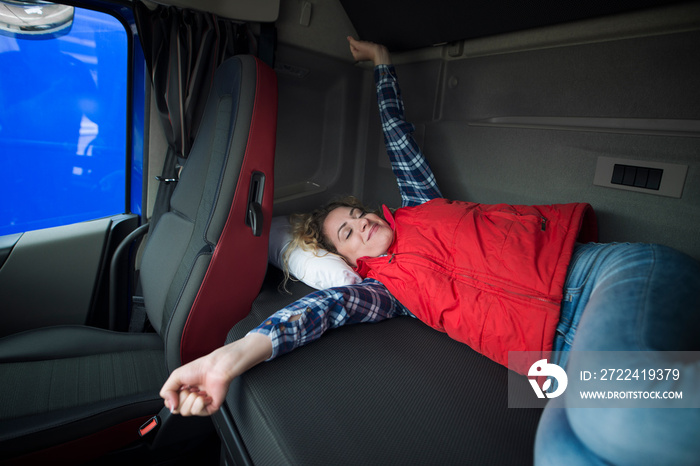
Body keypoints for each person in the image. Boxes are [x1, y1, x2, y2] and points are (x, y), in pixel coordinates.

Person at [161, 36, 700, 464]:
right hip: (552, 359)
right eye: (346, 233)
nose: (361, 223)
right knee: (560, 454)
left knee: (623, 420)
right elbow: (313, 314)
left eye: (357, 214)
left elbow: (399, 137)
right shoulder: (382, 293)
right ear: (347, 262)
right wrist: (222, 360)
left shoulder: (420, 206)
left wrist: (383, 64)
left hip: (602, 277)